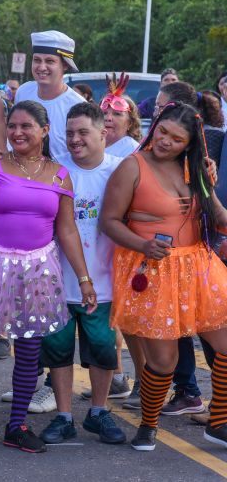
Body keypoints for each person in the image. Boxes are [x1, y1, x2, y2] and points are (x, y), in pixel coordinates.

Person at [0, 100, 95, 454]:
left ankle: (17, 425)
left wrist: (85, 279)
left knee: (30, 349)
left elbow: (67, 230)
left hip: (38, 269)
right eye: (13, 126)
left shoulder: (60, 173)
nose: (17, 132)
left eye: (26, 126)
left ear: (45, 131)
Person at [101, 101, 227, 451]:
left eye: (176, 138)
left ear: (189, 144)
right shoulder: (132, 166)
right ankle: (148, 425)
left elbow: (219, 219)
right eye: (162, 131)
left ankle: (218, 423)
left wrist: (207, 183)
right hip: (152, 271)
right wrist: (142, 244)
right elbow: (108, 222)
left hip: (198, 269)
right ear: (153, 126)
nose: (165, 141)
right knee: (163, 362)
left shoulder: (194, 169)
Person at [37, 102, 127, 446]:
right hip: (58, 283)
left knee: (103, 350)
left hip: (104, 283)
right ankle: (63, 416)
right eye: (70, 133)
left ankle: (98, 412)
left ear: (103, 133)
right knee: (58, 352)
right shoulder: (56, 172)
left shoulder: (121, 170)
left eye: (83, 132)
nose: (75, 139)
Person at [14, 30, 86, 160]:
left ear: (64, 65)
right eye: (37, 60)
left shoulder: (78, 106)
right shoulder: (23, 92)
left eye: (49, 61)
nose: (41, 67)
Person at [100, 73, 142, 158]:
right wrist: (64, 171)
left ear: (130, 123)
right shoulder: (90, 144)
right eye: (104, 113)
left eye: (117, 114)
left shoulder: (133, 152)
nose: (108, 118)